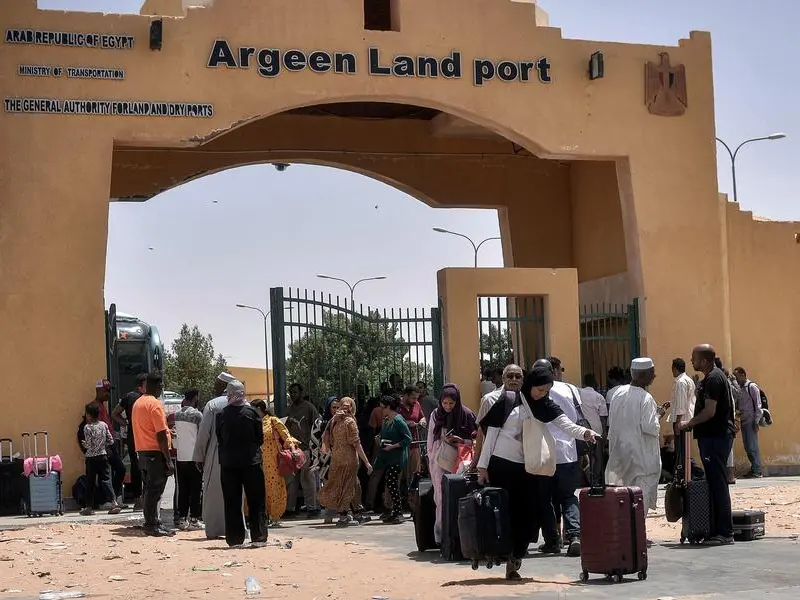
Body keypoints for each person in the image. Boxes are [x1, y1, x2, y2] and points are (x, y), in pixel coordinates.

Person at [477, 365, 599, 579]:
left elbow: (566, 425)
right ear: (531, 384)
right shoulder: (508, 400)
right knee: (503, 513)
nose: (542, 394)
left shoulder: (545, 405)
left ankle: (516, 557)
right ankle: (501, 552)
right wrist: (482, 466)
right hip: (501, 465)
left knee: (529, 515)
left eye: (546, 391)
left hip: (528, 468)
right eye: (539, 390)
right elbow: (491, 435)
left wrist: (586, 433)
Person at [679, 344, 736, 545]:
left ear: (704, 360)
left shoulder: (714, 378)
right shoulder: (710, 378)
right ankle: (715, 530)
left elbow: (710, 411)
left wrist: (689, 423)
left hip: (716, 437)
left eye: (694, 358)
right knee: (714, 482)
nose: (691, 361)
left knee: (718, 483)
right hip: (711, 437)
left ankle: (725, 533)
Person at [605, 358, 665, 524]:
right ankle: (636, 533)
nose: (654, 376)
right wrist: (659, 414)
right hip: (641, 459)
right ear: (644, 375)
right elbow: (650, 427)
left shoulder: (617, 393)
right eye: (652, 373)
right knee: (640, 499)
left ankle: (626, 532)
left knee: (623, 499)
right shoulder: (646, 398)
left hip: (620, 456)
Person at [215, 380, 267, 547]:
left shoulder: (221, 414)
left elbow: (219, 438)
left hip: (228, 464)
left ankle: (234, 539)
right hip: (251, 462)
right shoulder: (253, 413)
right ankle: (258, 537)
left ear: (229, 394)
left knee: (232, 501)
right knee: (256, 500)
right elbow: (260, 438)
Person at [426, 384, 477, 545]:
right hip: (439, 461)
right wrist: (432, 458)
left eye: (451, 403)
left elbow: (476, 440)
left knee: (458, 495)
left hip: (461, 461)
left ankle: (459, 535)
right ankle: (441, 536)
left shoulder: (466, 415)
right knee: (441, 497)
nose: (448, 406)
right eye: (445, 403)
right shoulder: (436, 415)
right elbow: (430, 439)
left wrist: (461, 441)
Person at [131, 371, 174, 537]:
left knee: (149, 490)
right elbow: (160, 434)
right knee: (154, 491)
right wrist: (168, 460)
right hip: (156, 453)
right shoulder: (154, 404)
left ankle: (153, 522)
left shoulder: (138, 403)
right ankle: (151, 525)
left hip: (142, 452)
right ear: (158, 386)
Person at [193, 372, 235, 539]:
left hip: (216, 455)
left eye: (216, 383)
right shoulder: (244, 403)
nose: (213, 386)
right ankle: (235, 529)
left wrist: (199, 457)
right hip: (239, 456)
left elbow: (204, 434)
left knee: (213, 493)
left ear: (223, 385)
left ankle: (215, 530)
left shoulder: (213, 404)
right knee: (235, 493)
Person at [319, 397, 373, 526]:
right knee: (348, 487)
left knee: (346, 485)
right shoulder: (350, 422)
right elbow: (356, 444)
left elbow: (329, 440)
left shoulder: (334, 421)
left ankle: (356, 513)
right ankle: (343, 516)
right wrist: (366, 462)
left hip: (336, 458)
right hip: (349, 459)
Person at [250, 400, 300, 527]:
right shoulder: (252, 421)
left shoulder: (272, 421)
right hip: (257, 461)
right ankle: (262, 516)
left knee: (274, 487)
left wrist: (293, 449)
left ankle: (275, 516)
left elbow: (286, 435)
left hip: (273, 461)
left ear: (259, 408)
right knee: (259, 489)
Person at [372, 395, 412, 524]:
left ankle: (398, 512)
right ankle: (395, 511)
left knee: (392, 483)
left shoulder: (398, 420)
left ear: (388, 407)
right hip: (389, 457)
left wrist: (393, 446)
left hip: (397, 458)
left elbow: (408, 438)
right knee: (390, 483)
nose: (381, 409)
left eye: (382, 407)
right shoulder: (386, 419)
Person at [112, 373, 147, 511]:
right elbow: (115, 414)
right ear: (140, 386)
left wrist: (126, 423)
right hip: (137, 437)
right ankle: (139, 499)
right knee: (138, 467)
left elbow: (115, 413)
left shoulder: (136, 397)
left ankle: (144, 500)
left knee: (140, 467)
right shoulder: (132, 397)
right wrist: (127, 423)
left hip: (138, 437)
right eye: (146, 384)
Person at [285, 383, 320, 517]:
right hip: (291, 450)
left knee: (307, 479)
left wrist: (314, 447)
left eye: (295, 392)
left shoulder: (309, 408)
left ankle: (312, 507)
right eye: (291, 393)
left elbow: (317, 426)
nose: (293, 395)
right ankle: (289, 508)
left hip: (306, 449)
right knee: (291, 481)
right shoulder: (288, 410)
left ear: (301, 393)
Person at [80, 402, 122, 516]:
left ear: (88, 414)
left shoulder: (87, 427)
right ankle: (114, 502)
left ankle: (89, 507)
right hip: (103, 456)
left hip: (91, 458)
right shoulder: (103, 425)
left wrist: (84, 444)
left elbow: (89, 445)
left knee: (90, 482)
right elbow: (110, 440)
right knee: (106, 480)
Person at [474, 364, 524, 458]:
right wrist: (476, 459)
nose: (514, 379)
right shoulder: (489, 400)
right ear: (503, 378)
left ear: (522, 380)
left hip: (519, 458)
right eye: (510, 376)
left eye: (518, 377)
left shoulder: (526, 401)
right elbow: (481, 430)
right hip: (494, 456)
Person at [93, 379, 127, 507]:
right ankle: (108, 500)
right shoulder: (95, 407)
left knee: (120, 469)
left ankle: (115, 497)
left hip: (110, 444)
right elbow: (97, 429)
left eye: (109, 391)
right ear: (99, 391)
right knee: (106, 474)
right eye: (106, 391)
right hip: (104, 447)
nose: (108, 394)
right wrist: (105, 447)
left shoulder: (103, 406)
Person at [173, 388, 203, 530]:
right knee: (196, 489)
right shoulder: (197, 415)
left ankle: (182, 519)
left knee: (183, 489)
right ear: (195, 397)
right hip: (194, 457)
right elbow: (201, 436)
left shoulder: (177, 415)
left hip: (180, 457)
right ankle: (194, 519)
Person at [732, 367, 763, 478]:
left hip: (751, 421)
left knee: (752, 446)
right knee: (747, 446)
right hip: (744, 420)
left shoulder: (752, 387)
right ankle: (754, 468)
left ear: (743, 375)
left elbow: (758, 406)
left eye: (737, 377)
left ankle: (757, 470)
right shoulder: (740, 388)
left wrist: (756, 422)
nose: (736, 379)